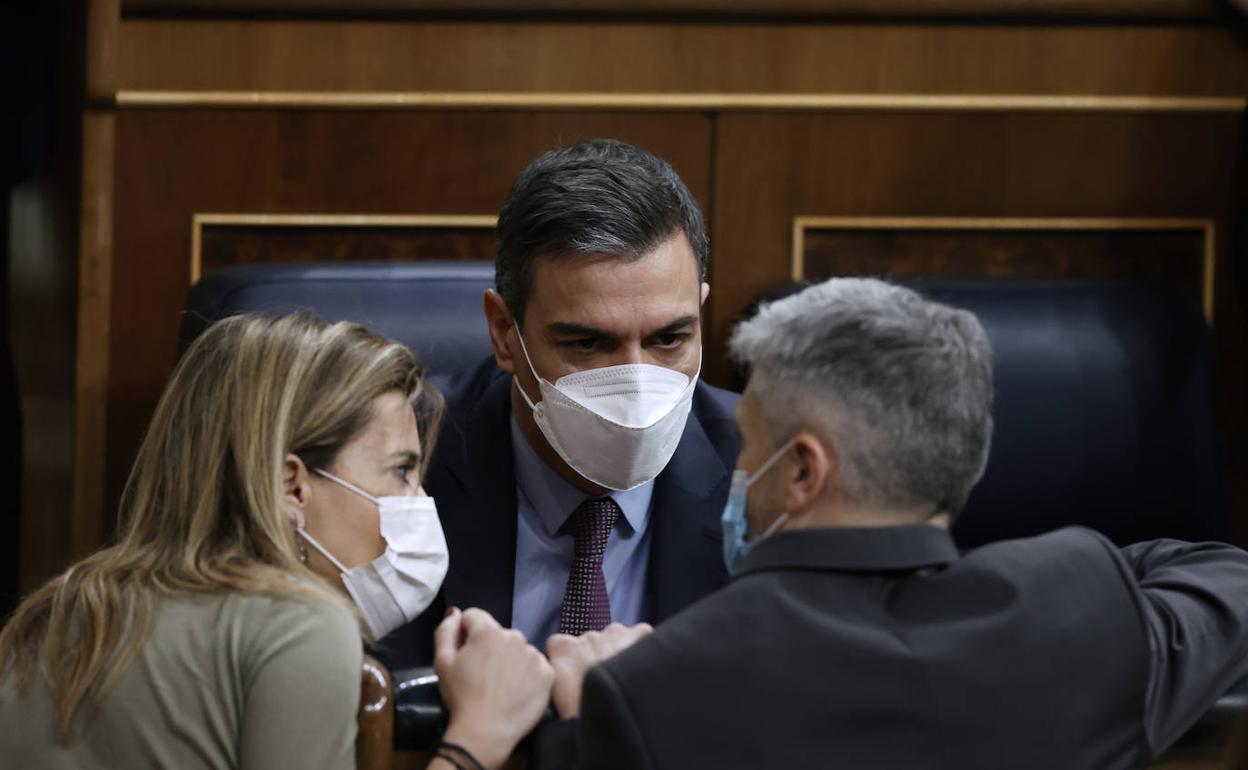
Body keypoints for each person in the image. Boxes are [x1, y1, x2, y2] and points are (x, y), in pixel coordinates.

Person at [520, 277, 1248, 769]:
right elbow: (1227, 576)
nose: (735, 473)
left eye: (745, 443)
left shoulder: (656, 688)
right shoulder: (1082, 616)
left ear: (803, 472)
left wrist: (580, 726)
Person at [0, 313, 554, 770]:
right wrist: (477, 738)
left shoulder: (55, 612)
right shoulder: (301, 626)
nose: (417, 501)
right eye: (400, 471)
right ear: (293, 486)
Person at [383, 139, 740, 665]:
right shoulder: (394, 461)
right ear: (505, 333)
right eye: (588, 344)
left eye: (669, 339)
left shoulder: (764, 468)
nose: (636, 384)